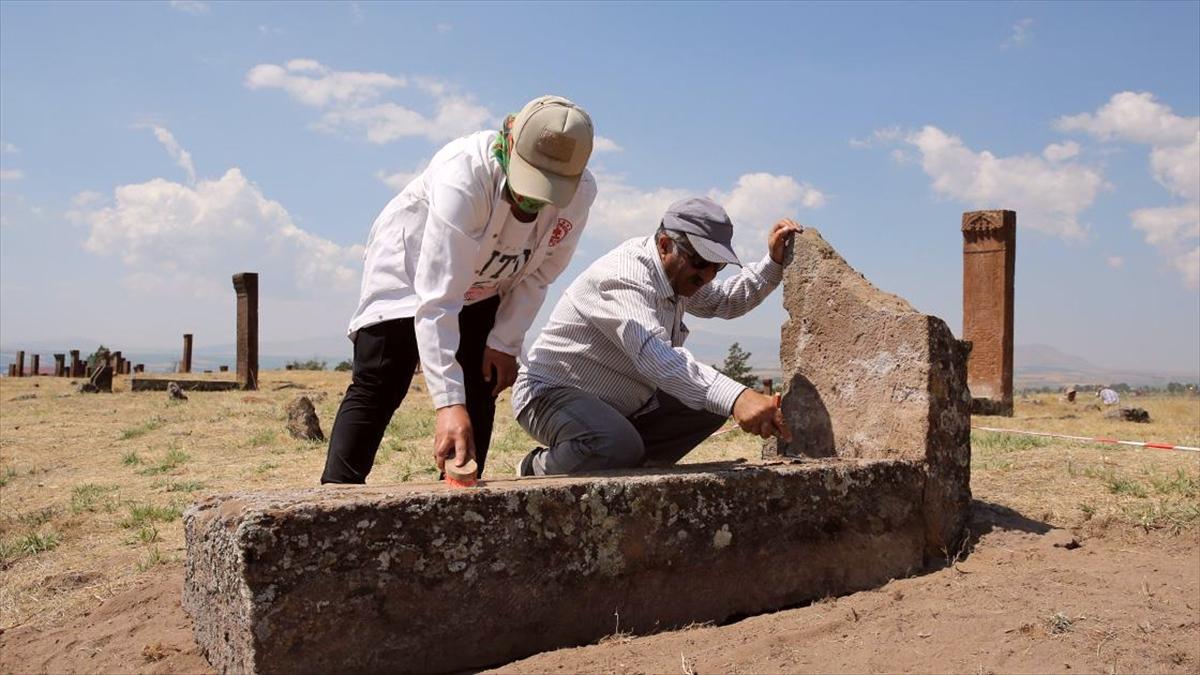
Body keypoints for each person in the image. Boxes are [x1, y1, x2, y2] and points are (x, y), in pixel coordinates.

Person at [321, 95, 597, 484]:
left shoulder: (580, 193)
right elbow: (438, 299)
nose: (532, 202)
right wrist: (447, 406)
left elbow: (540, 272)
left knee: (480, 384)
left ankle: (460, 502)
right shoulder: (465, 174)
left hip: (487, 282)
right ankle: (336, 496)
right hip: (411, 271)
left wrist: (505, 341)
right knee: (382, 378)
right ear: (511, 142)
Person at [510, 197, 800, 476]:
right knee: (616, 443)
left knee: (708, 407)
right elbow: (656, 357)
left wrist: (772, 263)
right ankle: (535, 469)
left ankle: (625, 468)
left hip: (619, 403)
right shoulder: (623, 278)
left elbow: (723, 300)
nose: (709, 275)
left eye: (718, 266)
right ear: (665, 245)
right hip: (548, 394)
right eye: (701, 262)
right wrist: (737, 397)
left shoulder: (676, 274)